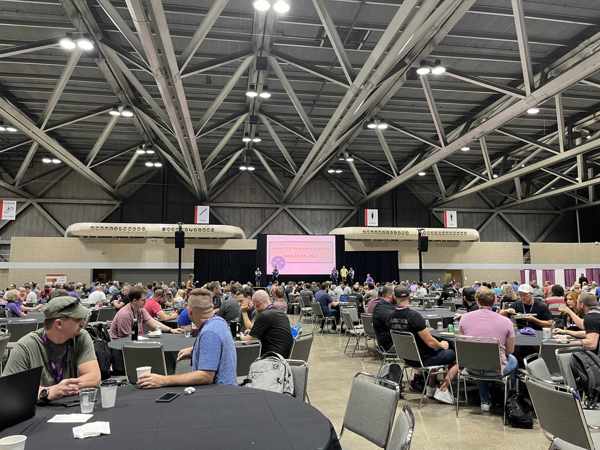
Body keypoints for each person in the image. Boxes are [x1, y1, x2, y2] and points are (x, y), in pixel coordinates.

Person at [2, 296, 101, 402]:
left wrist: (63, 388)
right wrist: (47, 392)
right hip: (38, 412)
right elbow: (8, 390)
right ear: (58, 324)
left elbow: (94, 377)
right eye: (78, 319)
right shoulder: (25, 347)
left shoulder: (81, 337)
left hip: (70, 407)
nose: (82, 323)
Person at [138, 289, 237, 388]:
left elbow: (205, 376)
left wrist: (163, 380)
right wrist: (196, 350)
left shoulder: (209, 333)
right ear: (211, 307)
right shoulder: (219, 322)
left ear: (189, 312)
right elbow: (216, 349)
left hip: (217, 395)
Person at [388, 287, 458, 405]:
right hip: (423, 360)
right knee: (455, 354)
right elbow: (430, 342)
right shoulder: (414, 316)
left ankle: (430, 389)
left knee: (435, 352)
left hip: (407, 359)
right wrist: (442, 344)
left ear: (395, 297)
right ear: (409, 297)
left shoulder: (390, 317)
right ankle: (443, 389)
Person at [458, 287, 517, 412]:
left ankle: (485, 401)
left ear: (477, 301)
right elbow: (510, 350)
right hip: (496, 370)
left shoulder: (464, 318)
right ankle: (510, 398)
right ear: (495, 301)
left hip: (471, 367)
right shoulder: (506, 322)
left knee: (479, 359)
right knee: (513, 359)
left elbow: (464, 344)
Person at [109, 287, 183, 339]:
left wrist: (170, 330)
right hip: (121, 349)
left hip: (134, 340)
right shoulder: (125, 314)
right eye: (143, 300)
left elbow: (153, 322)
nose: (146, 302)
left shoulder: (141, 310)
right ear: (134, 301)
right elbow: (126, 339)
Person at [240, 290, 293, 358]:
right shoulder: (280, 313)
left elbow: (247, 341)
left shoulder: (264, 315)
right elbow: (272, 333)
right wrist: (252, 332)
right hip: (284, 358)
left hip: (271, 359)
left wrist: (241, 336)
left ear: (257, 304)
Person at [372, 285, 400, 351]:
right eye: (396, 294)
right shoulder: (383, 309)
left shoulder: (383, 306)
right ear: (390, 295)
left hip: (391, 342)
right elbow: (398, 325)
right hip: (390, 346)